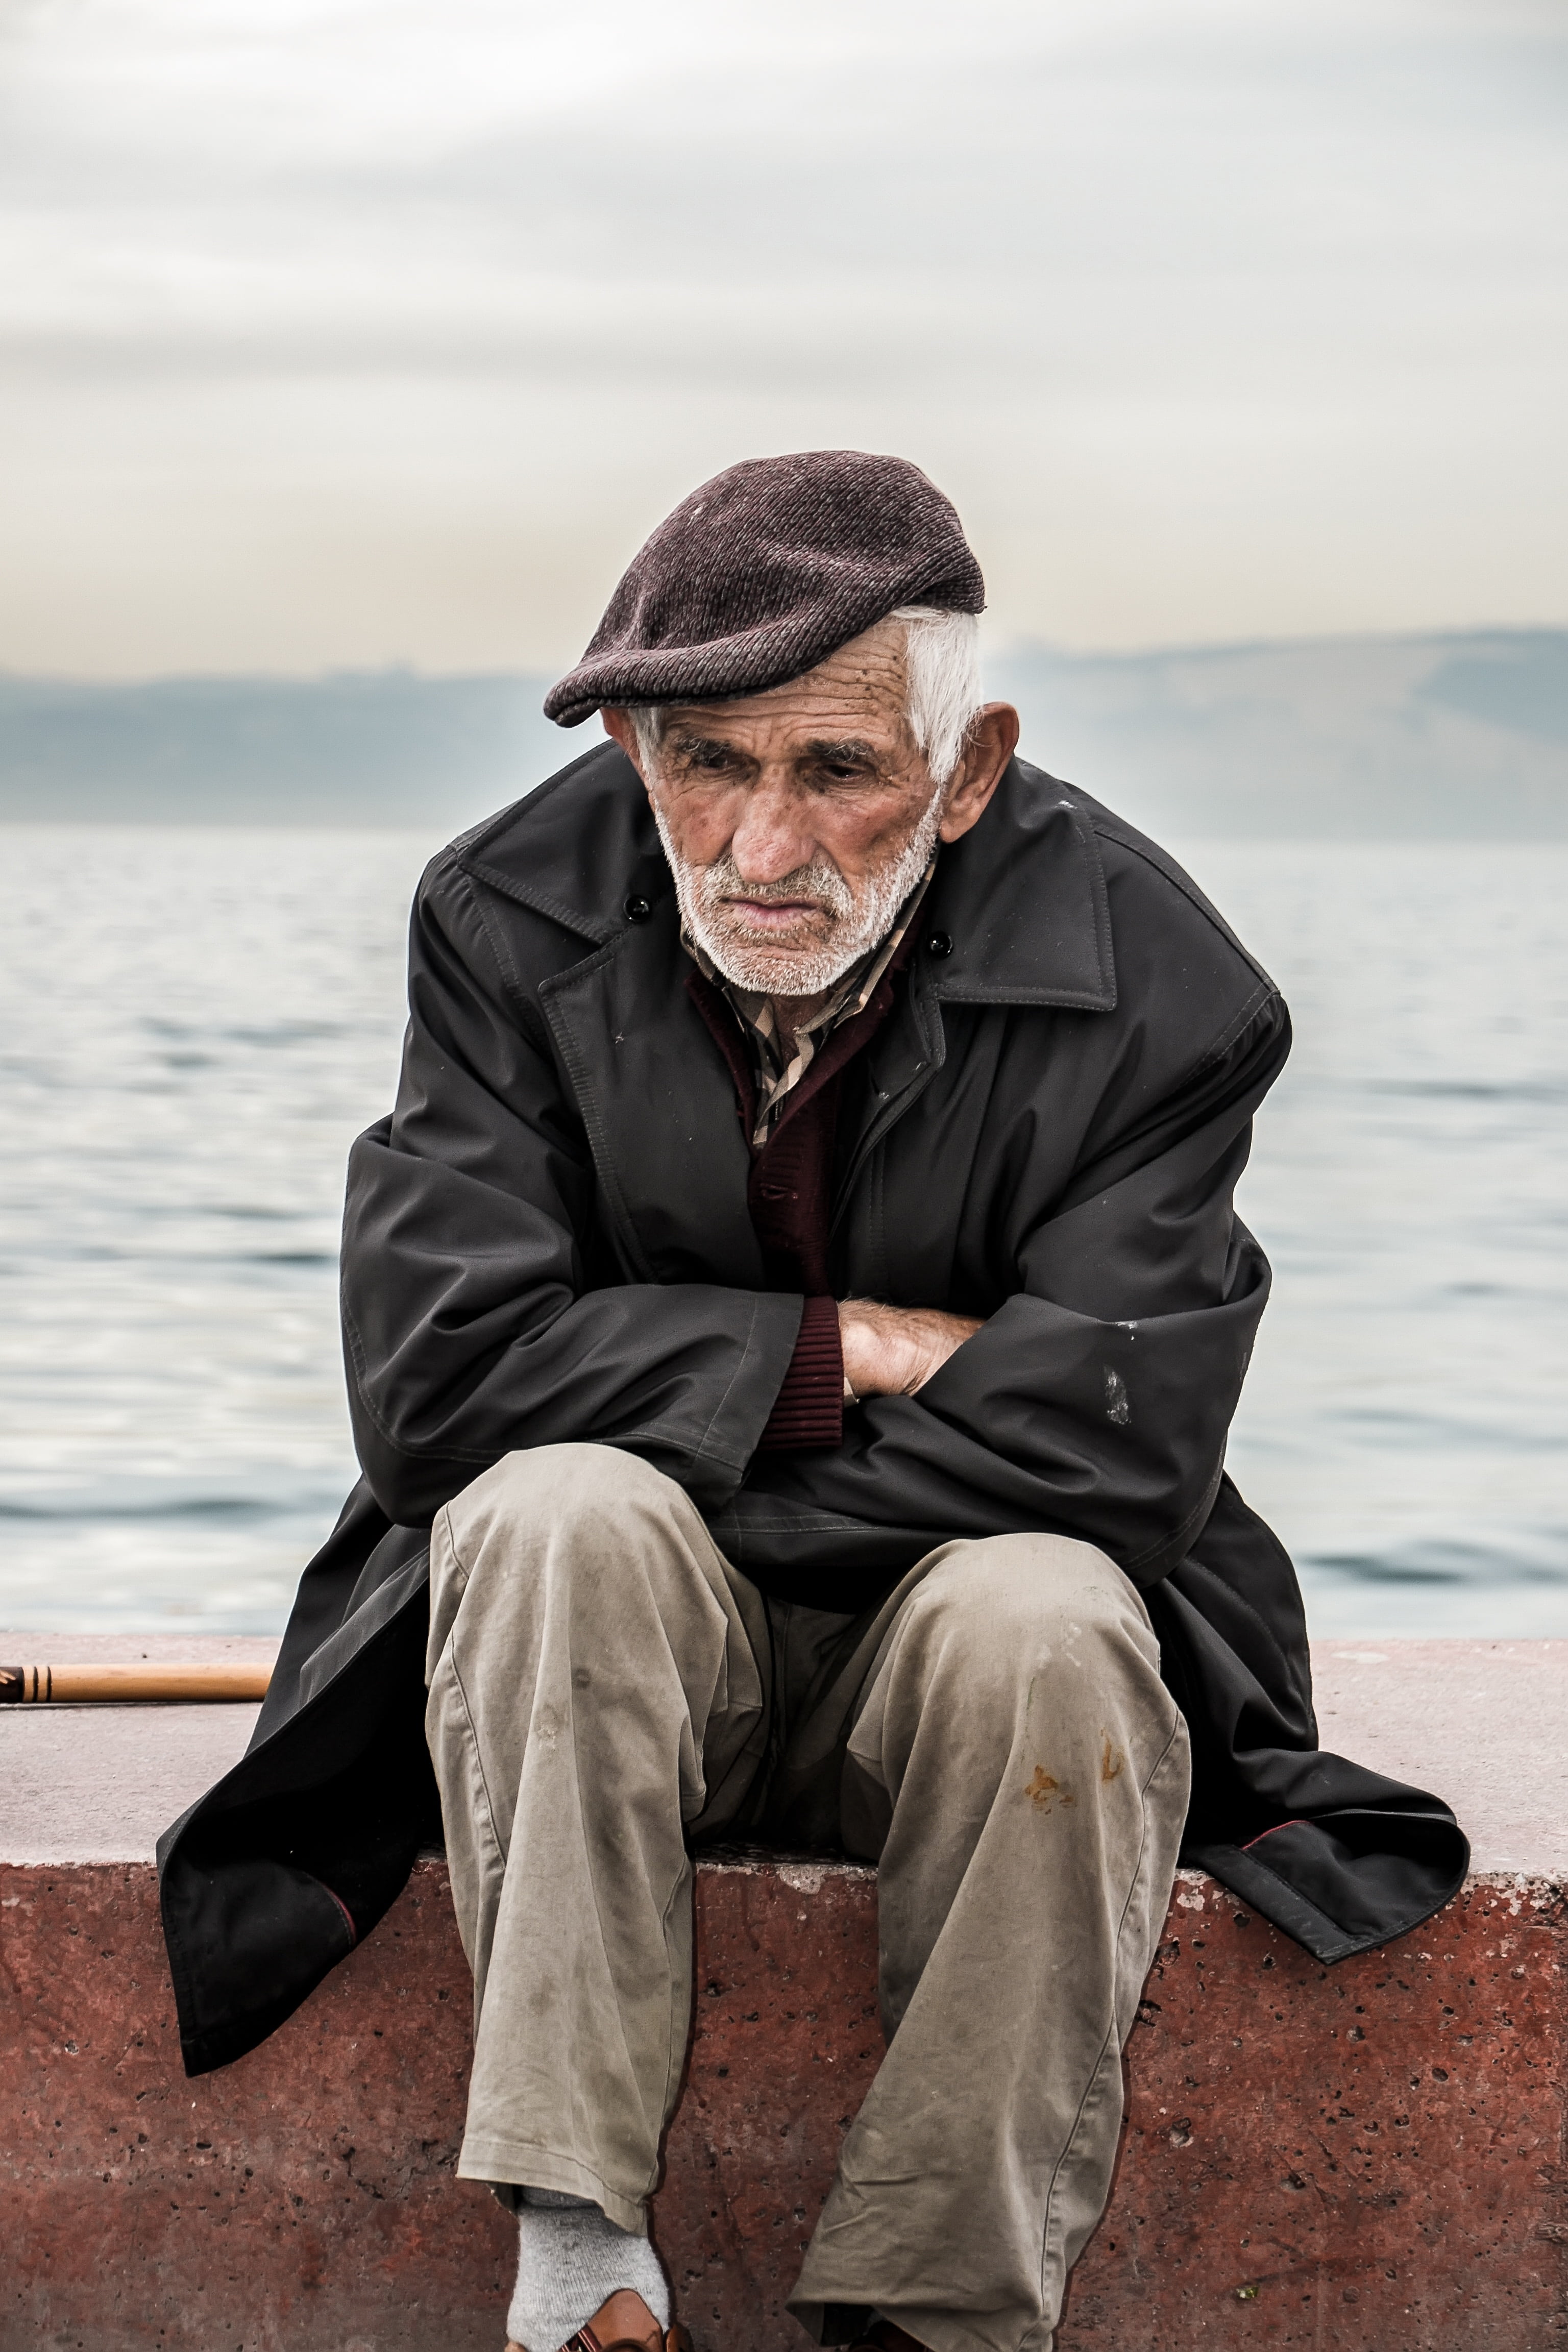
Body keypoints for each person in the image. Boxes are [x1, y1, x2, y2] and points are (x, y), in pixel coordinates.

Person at [158, 451, 1466, 2352]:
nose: (762, 847)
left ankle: (934, 2318)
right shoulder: (500, 917)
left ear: (970, 767)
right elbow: (437, 1386)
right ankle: (582, 2266)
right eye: (706, 761)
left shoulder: (1168, 988)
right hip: (604, 1648)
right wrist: (843, 1350)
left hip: (952, 1656)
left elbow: (1111, 1454)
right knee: (545, 1518)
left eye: (838, 771)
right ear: (628, 744)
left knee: (1048, 1614)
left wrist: (656, 1433)